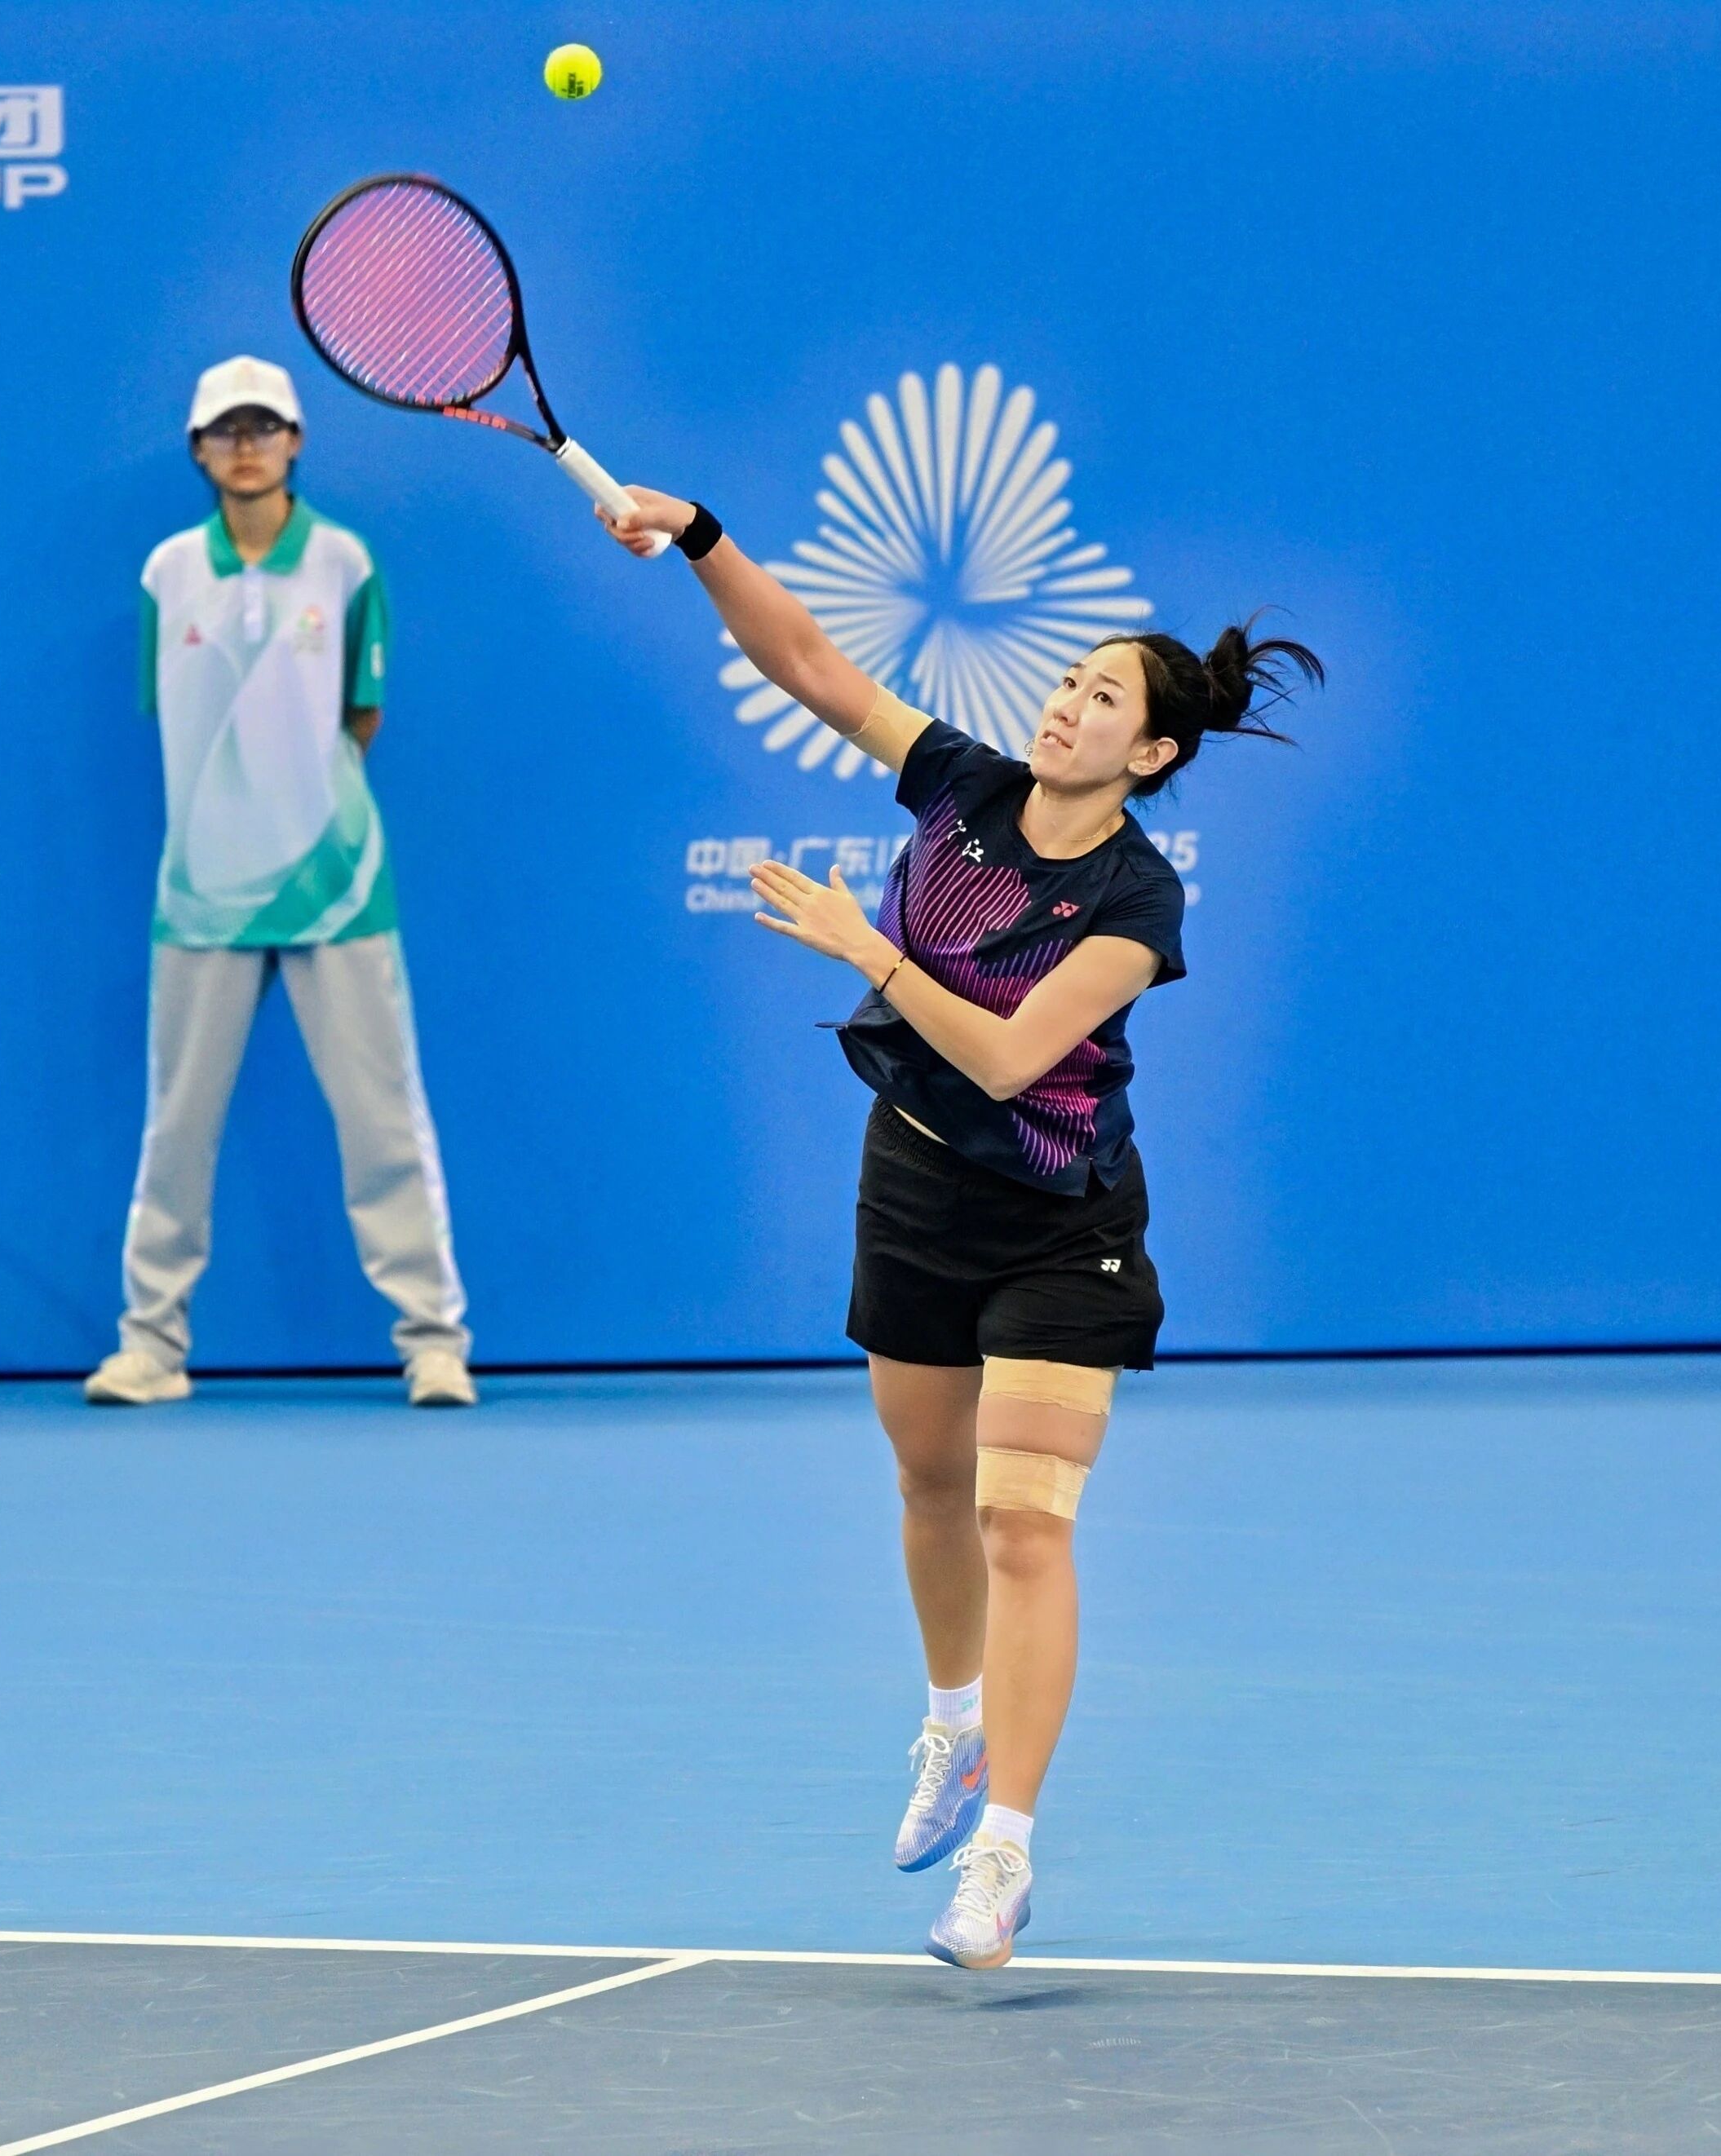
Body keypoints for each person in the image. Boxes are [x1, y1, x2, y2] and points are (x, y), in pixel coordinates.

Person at [604, 484, 1319, 1967]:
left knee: (1023, 1521)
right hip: (917, 1188)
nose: (1066, 705)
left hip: (1064, 1224)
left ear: (1153, 753)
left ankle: (1004, 1855)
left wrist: (866, 949)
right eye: (1069, 680)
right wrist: (701, 538)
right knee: (930, 1481)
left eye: (1103, 697)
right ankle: (952, 1725)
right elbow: (810, 662)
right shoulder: (963, 789)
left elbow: (1007, 1058)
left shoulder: (1137, 901)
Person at [86, 356, 476, 1411]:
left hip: (337, 889)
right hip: (200, 896)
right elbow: (173, 718)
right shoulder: (168, 571)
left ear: (295, 441)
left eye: (265, 427)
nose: (247, 445)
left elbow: (361, 714)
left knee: (384, 1124)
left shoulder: (345, 562)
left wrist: (303, 814)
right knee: (177, 1130)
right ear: (199, 449)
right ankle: (150, 1348)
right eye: (227, 430)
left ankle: (434, 1344)